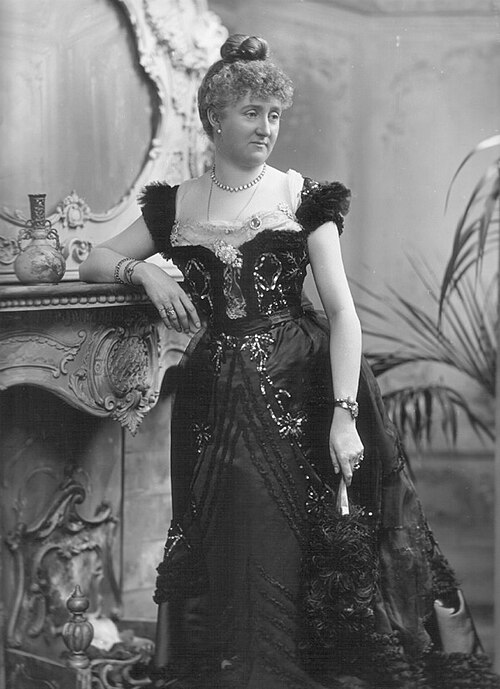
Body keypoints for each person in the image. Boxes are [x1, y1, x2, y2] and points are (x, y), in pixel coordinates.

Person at [80, 34, 499, 689]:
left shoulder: (302, 197)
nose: (266, 128)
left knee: (310, 545)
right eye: (252, 113)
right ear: (215, 118)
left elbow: (343, 313)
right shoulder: (176, 204)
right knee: (227, 539)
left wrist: (344, 416)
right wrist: (146, 273)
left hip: (301, 389)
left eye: (274, 115)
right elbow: (93, 259)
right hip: (212, 398)